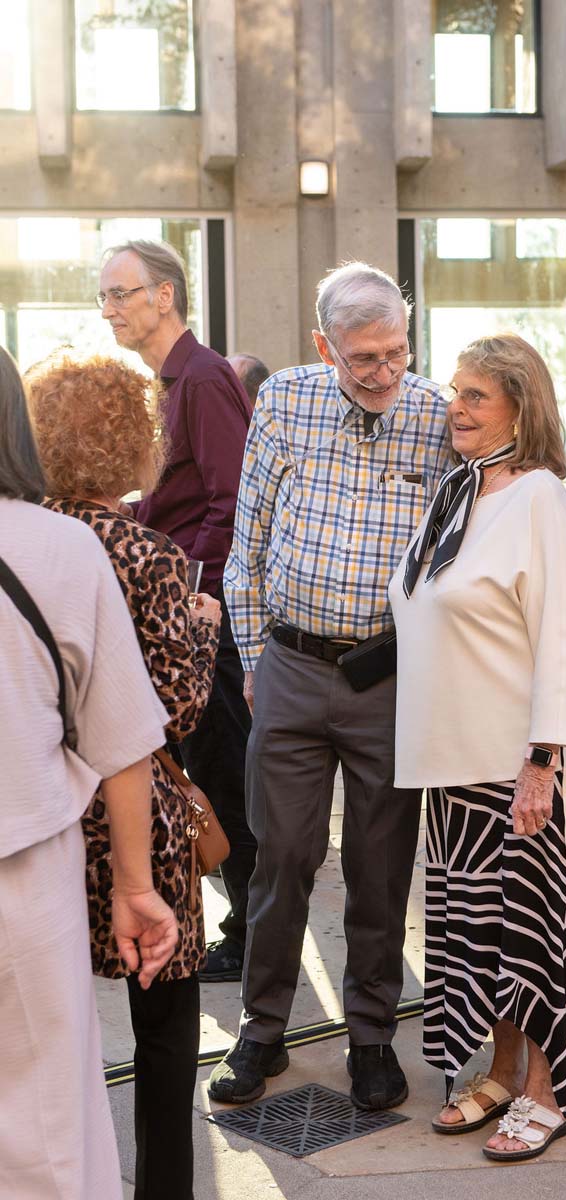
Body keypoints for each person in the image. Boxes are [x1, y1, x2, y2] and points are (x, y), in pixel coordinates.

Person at [212, 262, 451, 1109]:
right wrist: (251, 658)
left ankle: (372, 1036)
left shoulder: (435, 413)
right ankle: (262, 1029)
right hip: (290, 666)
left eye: (395, 352)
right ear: (324, 347)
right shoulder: (283, 403)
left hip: (388, 676)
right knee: (280, 857)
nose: (383, 372)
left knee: (382, 866)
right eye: (362, 359)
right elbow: (247, 546)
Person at [390, 333, 566, 1162]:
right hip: (454, 764)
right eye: (453, 390)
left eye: (474, 396)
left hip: (519, 766)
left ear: (520, 408)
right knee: (479, 934)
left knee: (533, 935)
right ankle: (497, 1072)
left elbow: (564, 640)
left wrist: (540, 762)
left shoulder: (543, 504)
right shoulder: (459, 492)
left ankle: (545, 1092)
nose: (453, 405)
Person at [28, 353, 221, 1200]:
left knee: (52, 1026)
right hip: (140, 816)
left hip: (53, 815)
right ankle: (163, 1188)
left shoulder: (29, 538)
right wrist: (205, 628)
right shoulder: (146, 552)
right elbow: (172, 711)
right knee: (166, 1029)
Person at [0, 346, 178, 1199]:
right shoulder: (61, 549)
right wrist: (135, 887)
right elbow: (125, 742)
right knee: (47, 1134)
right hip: (25, 872)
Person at [98, 238, 256, 981]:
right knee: (203, 770)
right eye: (103, 297)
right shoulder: (168, 380)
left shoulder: (201, 377)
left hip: (203, 617)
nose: (110, 309)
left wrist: (199, 594)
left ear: (165, 295)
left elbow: (233, 501)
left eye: (120, 293)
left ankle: (252, 933)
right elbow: (184, 496)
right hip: (181, 609)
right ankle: (246, 922)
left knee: (222, 777)